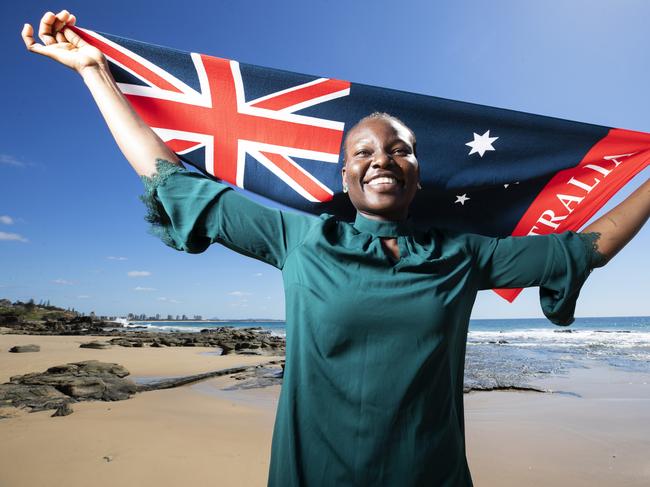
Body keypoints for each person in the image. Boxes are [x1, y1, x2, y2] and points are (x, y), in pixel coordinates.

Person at [22, 10, 650, 487]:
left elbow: (585, 247)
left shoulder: (461, 255)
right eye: (363, 153)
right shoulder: (300, 240)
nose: (382, 158)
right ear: (345, 179)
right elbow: (170, 179)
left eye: (399, 149)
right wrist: (94, 73)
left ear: (416, 175)